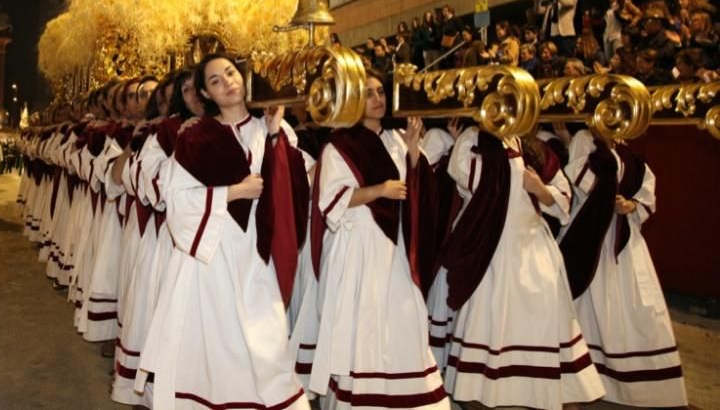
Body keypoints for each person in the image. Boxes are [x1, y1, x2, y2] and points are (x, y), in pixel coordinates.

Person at [137, 54, 311, 409]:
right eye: (215, 81)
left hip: (257, 254)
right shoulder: (196, 135)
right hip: (211, 255)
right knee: (216, 346)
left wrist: (277, 135)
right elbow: (176, 199)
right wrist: (232, 193)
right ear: (205, 93)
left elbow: (296, 189)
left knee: (267, 344)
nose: (228, 83)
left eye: (230, 73)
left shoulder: (273, 128)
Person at [430, 124, 604, 408]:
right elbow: (467, 179)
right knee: (492, 315)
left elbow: (562, 195)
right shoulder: (473, 139)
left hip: (533, 243)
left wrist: (539, 189)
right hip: (487, 243)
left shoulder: (533, 147)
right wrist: (495, 148)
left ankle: (549, 386)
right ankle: (485, 390)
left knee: (544, 313)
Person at [301, 71, 447, 408]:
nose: (378, 99)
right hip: (359, 245)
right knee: (363, 321)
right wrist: (377, 191)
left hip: (395, 245)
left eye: (381, 92)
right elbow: (330, 199)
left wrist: (412, 151)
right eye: (368, 93)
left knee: (404, 317)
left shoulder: (397, 138)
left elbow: (421, 192)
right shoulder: (340, 144)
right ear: (353, 98)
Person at [561, 131, 688, 407]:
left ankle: (632, 383)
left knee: (635, 307)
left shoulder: (627, 151)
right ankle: (583, 376)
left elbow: (646, 185)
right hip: (590, 234)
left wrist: (632, 205)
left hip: (624, 243)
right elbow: (579, 175)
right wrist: (609, 199)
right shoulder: (585, 138)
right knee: (588, 301)